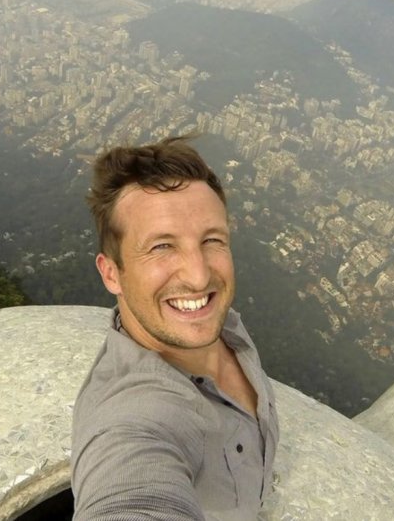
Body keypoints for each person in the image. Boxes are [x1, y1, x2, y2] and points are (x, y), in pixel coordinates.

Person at [72, 136, 279, 520]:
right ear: (111, 273)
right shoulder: (131, 419)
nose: (199, 277)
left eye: (212, 240)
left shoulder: (226, 328)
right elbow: (130, 494)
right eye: (162, 246)